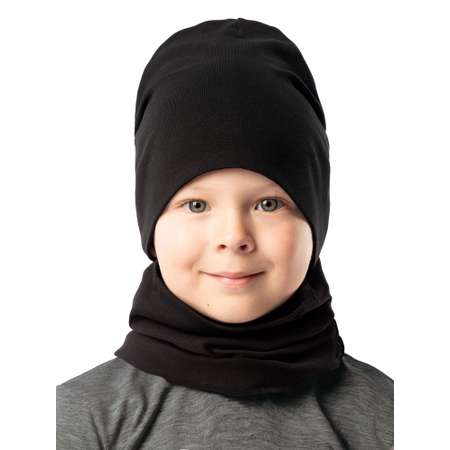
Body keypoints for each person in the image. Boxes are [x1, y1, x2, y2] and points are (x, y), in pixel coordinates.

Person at [56, 17, 394, 449]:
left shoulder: (390, 418)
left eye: (268, 204)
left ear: (316, 216)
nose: (233, 237)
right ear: (150, 220)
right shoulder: (78, 420)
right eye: (196, 205)